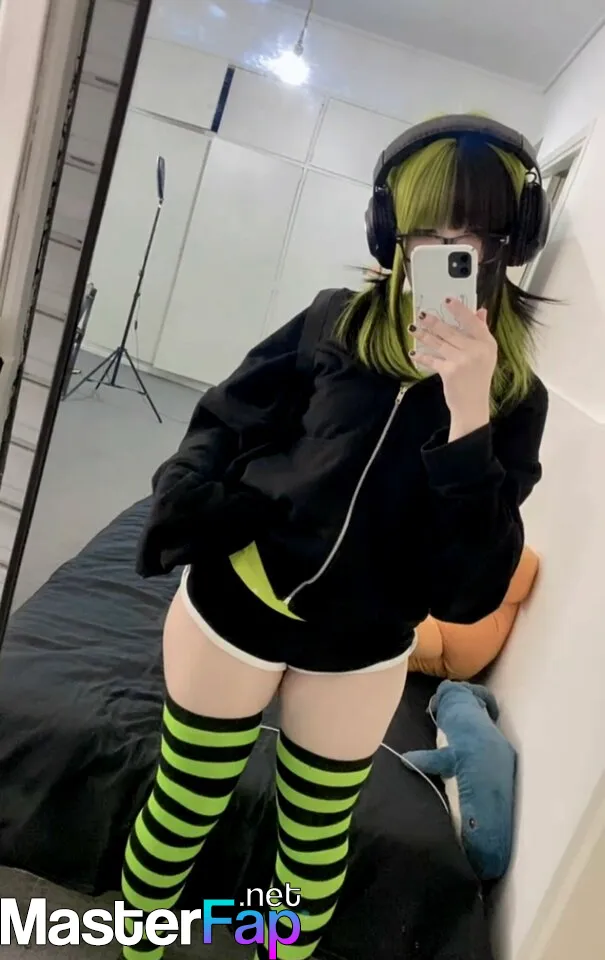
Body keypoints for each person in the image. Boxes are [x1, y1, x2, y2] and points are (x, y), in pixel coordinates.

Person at [120, 114, 549, 960]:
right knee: (183, 807)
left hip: (360, 647)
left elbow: (470, 586)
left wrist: (467, 414)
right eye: (427, 228)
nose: (447, 250)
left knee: (313, 847)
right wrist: (198, 505)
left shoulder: (512, 399)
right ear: (390, 229)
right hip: (237, 606)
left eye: (472, 233)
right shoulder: (332, 322)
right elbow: (224, 420)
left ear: (510, 243)